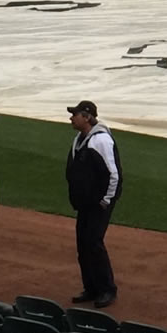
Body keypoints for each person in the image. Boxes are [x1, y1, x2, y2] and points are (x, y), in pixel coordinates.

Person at [65, 99, 120, 307]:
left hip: (99, 203)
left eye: (75, 114)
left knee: (94, 243)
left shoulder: (101, 141)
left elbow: (113, 174)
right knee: (83, 244)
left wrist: (106, 200)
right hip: (85, 202)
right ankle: (91, 287)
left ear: (87, 117)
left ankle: (107, 289)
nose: (71, 117)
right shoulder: (79, 139)